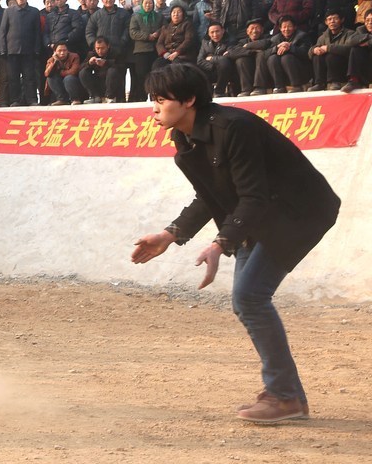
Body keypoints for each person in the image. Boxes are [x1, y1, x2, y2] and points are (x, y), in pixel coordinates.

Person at [132, 62, 339, 424]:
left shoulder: (234, 128)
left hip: (299, 211)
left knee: (250, 296)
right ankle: (288, 395)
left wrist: (221, 242)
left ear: (189, 100)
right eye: (152, 99)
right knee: (247, 301)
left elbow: (254, 197)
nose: (153, 107)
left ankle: (285, 396)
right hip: (257, 211)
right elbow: (209, 196)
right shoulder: (184, 143)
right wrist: (170, 234)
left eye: (161, 99)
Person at [0, 0, 42, 106]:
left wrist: (37, 49)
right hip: (12, 51)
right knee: (13, 78)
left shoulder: (34, 11)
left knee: (30, 77)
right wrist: (3, 49)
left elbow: (37, 32)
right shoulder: (8, 11)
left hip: (29, 51)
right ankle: (15, 100)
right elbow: (3, 32)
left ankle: (32, 100)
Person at [308, 11, 359, 91]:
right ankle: (319, 83)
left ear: (342, 20)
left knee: (331, 55)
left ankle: (335, 82)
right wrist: (314, 50)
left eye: (335, 18)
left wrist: (329, 48)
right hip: (327, 70)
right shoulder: (323, 37)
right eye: (329, 19)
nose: (332, 21)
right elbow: (310, 51)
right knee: (316, 56)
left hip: (344, 69)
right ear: (326, 22)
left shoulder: (350, 33)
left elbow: (350, 50)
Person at [264, 15, 313, 94]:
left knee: (286, 57)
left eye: (289, 26)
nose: (286, 29)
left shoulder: (302, 36)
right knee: (272, 58)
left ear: (295, 27)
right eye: (284, 27)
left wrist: (290, 48)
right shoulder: (275, 39)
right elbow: (265, 54)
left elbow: (306, 53)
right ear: (280, 28)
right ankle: (279, 87)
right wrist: (276, 48)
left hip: (301, 71)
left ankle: (296, 86)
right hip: (283, 73)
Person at [128, 0, 163, 102]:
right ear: (142, 4)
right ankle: (141, 99)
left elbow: (165, 28)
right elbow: (132, 32)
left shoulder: (158, 16)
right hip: (141, 51)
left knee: (155, 75)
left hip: (155, 50)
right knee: (141, 76)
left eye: (150, 3)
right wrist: (147, 36)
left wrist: (158, 33)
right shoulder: (136, 16)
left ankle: (155, 98)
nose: (148, 5)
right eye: (146, 3)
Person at [196, 22, 236, 97]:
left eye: (217, 31)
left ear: (223, 31)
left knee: (224, 62)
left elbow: (227, 57)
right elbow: (200, 60)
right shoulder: (205, 42)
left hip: (227, 71)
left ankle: (219, 92)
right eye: (212, 32)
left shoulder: (231, 40)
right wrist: (213, 66)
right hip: (211, 70)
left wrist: (211, 58)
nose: (215, 35)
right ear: (208, 33)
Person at [78, 36, 121, 104]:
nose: (100, 51)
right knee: (83, 72)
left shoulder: (115, 53)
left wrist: (106, 63)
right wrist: (89, 63)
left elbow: (121, 67)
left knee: (112, 71)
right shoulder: (91, 54)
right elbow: (80, 68)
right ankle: (94, 96)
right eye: (97, 48)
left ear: (108, 46)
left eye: (102, 48)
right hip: (97, 81)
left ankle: (110, 97)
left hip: (111, 81)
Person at [344, 10, 372, 92]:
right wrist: (368, 36)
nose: (370, 23)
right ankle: (354, 80)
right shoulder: (361, 29)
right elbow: (350, 41)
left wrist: (368, 43)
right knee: (355, 49)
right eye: (367, 20)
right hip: (367, 68)